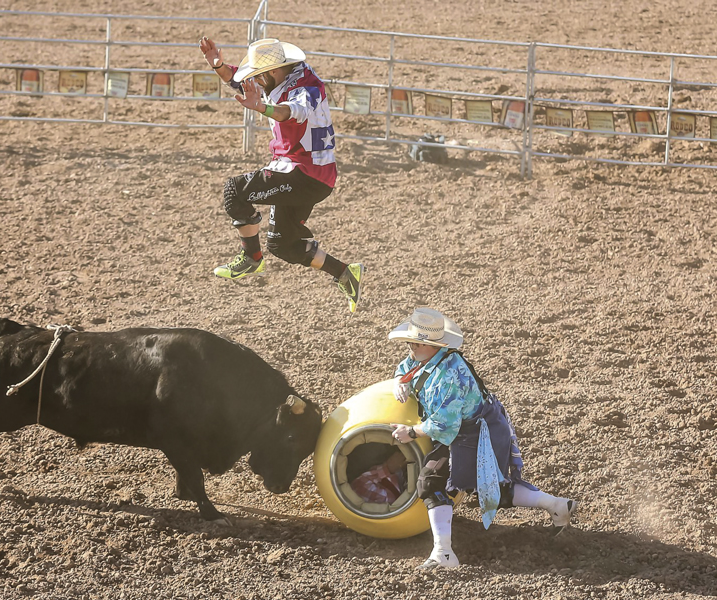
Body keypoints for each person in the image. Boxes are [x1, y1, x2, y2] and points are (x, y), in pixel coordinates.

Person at [388, 307, 577, 569]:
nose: (411, 347)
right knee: (491, 489)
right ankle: (557, 505)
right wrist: (400, 379)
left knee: (433, 482)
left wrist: (410, 432)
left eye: (417, 343)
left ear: (434, 345)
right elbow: (407, 365)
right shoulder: (428, 359)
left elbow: (444, 424)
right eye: (411, 341)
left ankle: (444, 554)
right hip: (478, 426)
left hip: (475, 433)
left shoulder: (449, 375)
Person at [198, 36, 365, 313]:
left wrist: (262, 107)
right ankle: (346, 273)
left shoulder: (307, 88)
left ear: (274, 71)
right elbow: (244, 85)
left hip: (304, 173)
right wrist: (218, 66)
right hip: (307, 173)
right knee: (282, 244)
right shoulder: (283, 78)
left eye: (258, 76)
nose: (255, 82)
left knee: (234, 190)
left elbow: (292, 112)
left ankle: (251, 257)